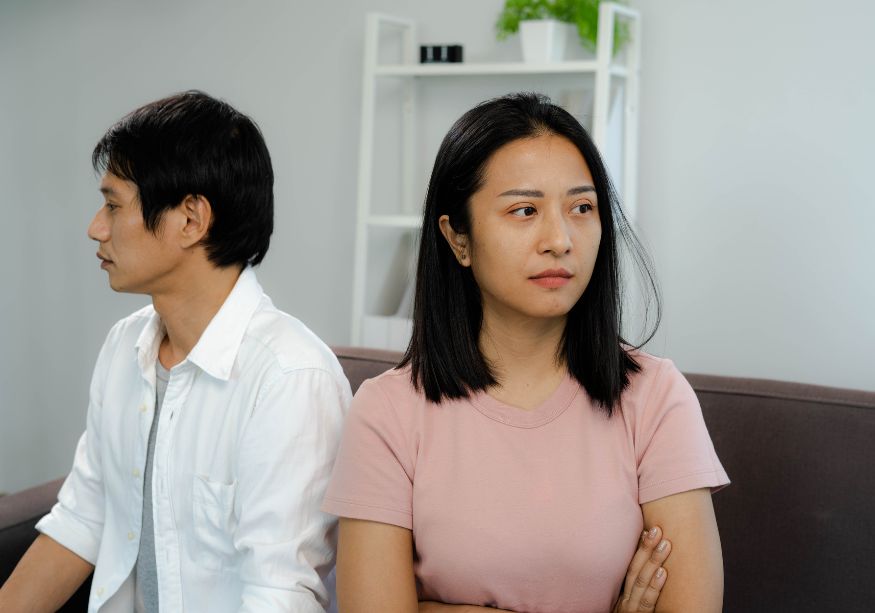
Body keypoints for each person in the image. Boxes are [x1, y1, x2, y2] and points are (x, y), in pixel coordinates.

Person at [322, 92, 729, 613]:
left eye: (582, 208)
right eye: (524, 210)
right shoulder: (386, 412)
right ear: (458, 238)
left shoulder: (654, 397)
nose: (559, 239)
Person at [0, 91, 351, 612]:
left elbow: (279, 597)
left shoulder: (291, 379)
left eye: (114, 205)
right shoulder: (125, 346)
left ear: (191, 220)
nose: (96, 227)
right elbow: (84, 519)